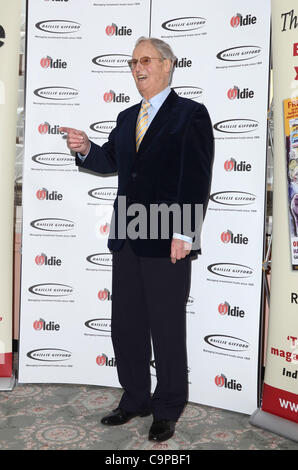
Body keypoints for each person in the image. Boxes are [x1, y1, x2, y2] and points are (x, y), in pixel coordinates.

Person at [60, 36, 214, 442]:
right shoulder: (127, 117)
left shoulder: (191, 115)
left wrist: (185, 232)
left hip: (168, 240)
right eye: (132, 62)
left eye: (145, 60)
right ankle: (135, 400)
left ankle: (167, 408)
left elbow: (196, 178)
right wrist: (86, 148)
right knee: (125, 326)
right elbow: (110, 159)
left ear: (167, 65)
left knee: (165, 328)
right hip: (127, 238)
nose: (137, 67)